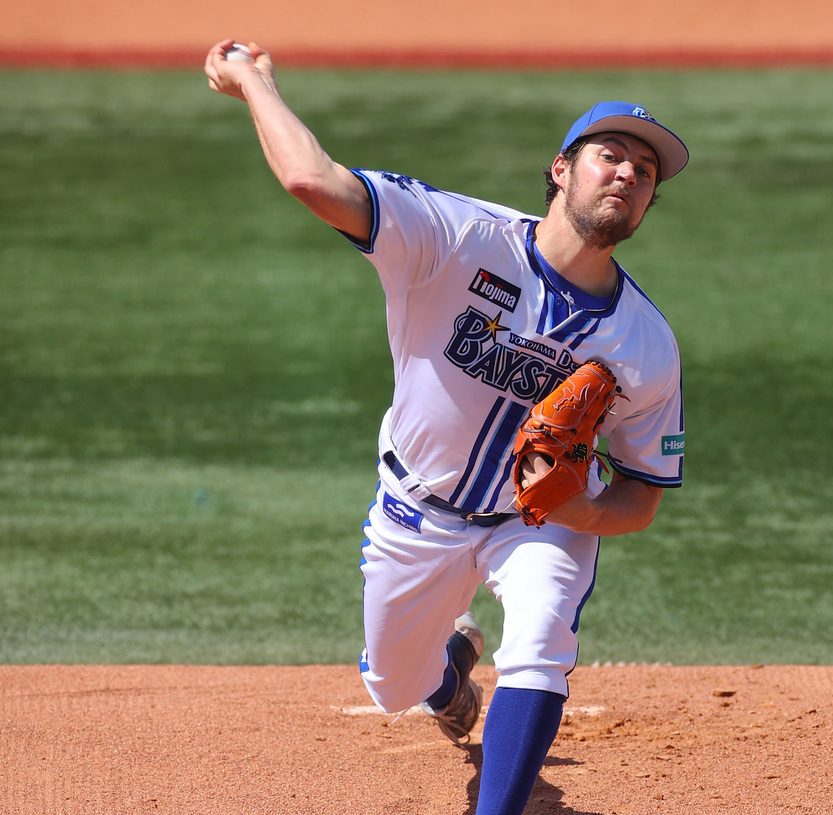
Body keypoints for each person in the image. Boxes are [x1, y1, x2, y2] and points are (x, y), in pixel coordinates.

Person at [204, 39, 688, 815]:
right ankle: (447, 675)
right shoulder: (459, 238)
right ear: (561, 170)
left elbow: (644, 491)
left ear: (647, 203)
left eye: (646, 170)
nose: (629, 172)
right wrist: (255, 82)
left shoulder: (646, 343)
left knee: (540, 641)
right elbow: (310, 179)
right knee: (394, 682)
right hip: (415, 510)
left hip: (537, 525)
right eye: (611, 154)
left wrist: (581, 511)